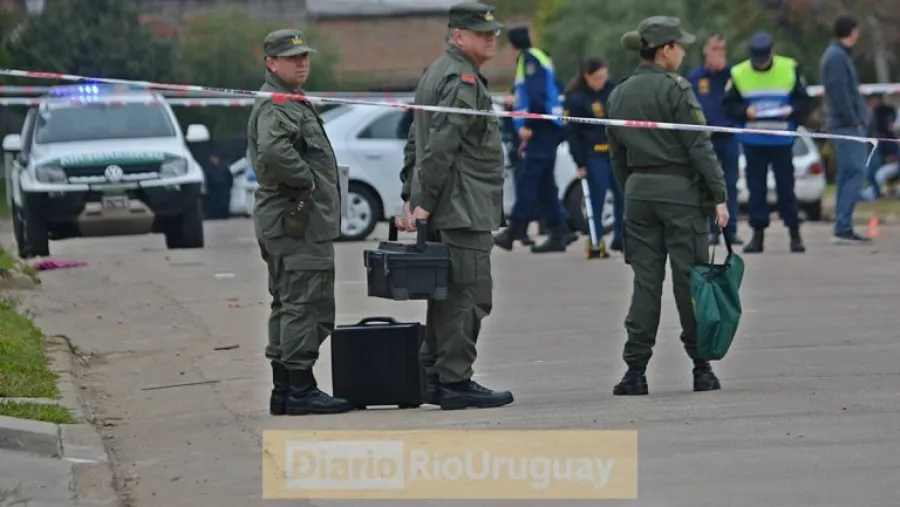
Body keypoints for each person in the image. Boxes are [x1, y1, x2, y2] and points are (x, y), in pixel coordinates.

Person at [396, 1, 514, 411]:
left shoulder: (436, 72)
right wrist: (422, 201)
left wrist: (413, 194)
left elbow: (416, 139)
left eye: (494, 32)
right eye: (483, 33)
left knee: (445, 296)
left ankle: (433, 373)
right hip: (462, 205)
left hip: (451, 201)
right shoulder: (462, 79)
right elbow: (443, 142)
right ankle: (455, 381)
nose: (492, 38)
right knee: (469, 295)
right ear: (458, 36)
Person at [606, 16, 729, 396]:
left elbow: (616, 155)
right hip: (679, 194)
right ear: (664, 50)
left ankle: (635, 372)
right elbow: (698, 145)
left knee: (645, 284)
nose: (684, 52)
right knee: (689, 281)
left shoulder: (620, 92)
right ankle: (701, 367)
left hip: (639, 194)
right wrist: (719, 194)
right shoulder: (676, 88)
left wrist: (636, 188)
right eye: (679, 46)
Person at [247, 29, 354, 416]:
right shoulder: (278, 104)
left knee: (290, 303)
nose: (302, 63)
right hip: (297, 220)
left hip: (296, 220)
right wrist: (307, 179)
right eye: (293, 58)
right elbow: (275, 152)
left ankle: (285, 389)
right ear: (271, 63)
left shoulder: (293, 101)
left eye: (304, 57)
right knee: (305, 304)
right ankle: (300, 388)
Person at [723, 30, 811, 254]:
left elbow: (804, 102)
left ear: (771, 53)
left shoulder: (789, 68)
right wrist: (745, 111)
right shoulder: (739, 73)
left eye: (763, 60)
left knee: (786, 189)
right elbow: (728, 106)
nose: (760, 65)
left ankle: (794, 235)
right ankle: (758, 236)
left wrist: (791, 111)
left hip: (782, 140)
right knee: (756, 190)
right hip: (753, 141)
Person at [493, 25, 572, 253]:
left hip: (541, 127)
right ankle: (559, 231)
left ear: (511, 46)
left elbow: (537, 96)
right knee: (545, 182)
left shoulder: (528, 60)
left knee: (528, 179)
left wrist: (528, 125)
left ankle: (514, 230)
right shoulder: (539, 55)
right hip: (549, 125)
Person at [562, 56, 624, 253]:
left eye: (604, 76)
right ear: (587, 76)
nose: (601, 81)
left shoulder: (612, 91)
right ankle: (596, 240)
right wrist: (579, 160)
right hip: (593, 154)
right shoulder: (575, 98)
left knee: (622, 196)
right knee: (596, 199)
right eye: (597, 77)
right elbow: (572, 132)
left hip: (614, 153)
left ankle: (621, 238)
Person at [687, 34, 743, 246]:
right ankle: (710, 229)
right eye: (715, 49)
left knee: (730, 184)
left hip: (728, 136)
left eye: (722, 49)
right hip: (705, 139)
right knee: (707, 184)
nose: (719, 54)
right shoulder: (695, 77)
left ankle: (731, 230)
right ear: (705, 50)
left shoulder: (733, 75)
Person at [820, 14, 871, 243]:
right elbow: (839, 93)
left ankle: (843, 224)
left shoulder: (838, 56)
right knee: (854, 171)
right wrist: (854, 119)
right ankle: (843, 226)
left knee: (847, 173)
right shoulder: (836, 57)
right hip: (846, 125)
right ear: (852, 31)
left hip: (846, 124)